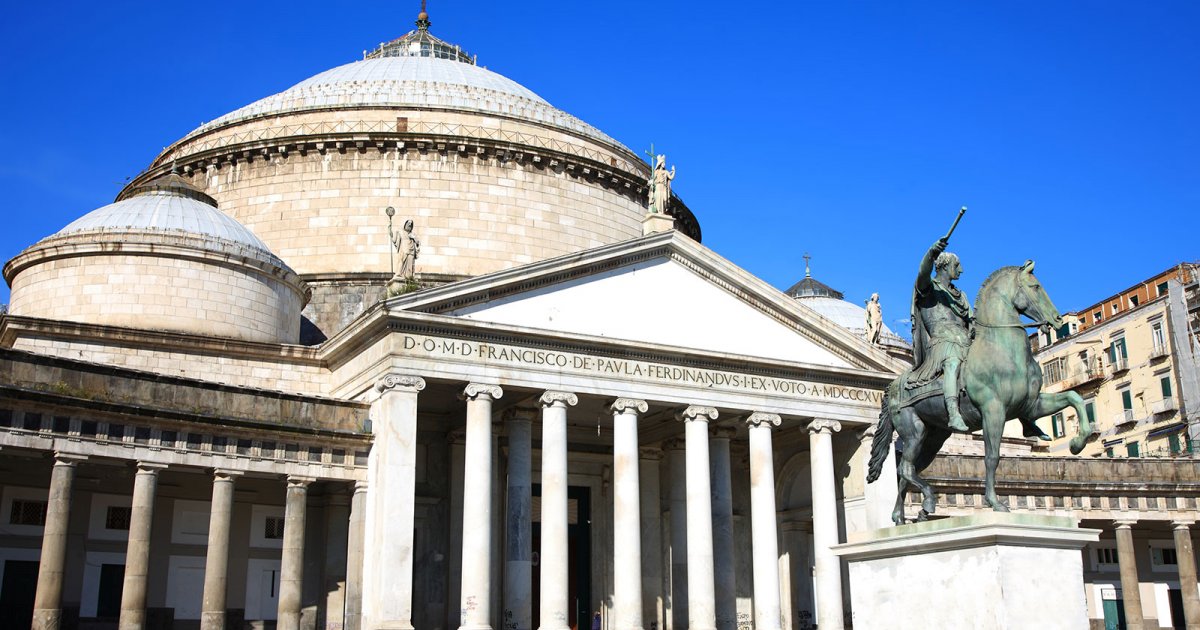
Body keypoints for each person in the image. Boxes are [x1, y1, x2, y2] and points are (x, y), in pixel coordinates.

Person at [909, 237, 971, 431]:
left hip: (965, 339)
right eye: (957, 265)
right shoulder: (928, 288)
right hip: (942, 341)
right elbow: (922, 272)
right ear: (944, 266)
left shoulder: (961, 296)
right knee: (952, 363)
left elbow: (971, 319)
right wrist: (931, 253)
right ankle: (953, 413)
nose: (960, 270)